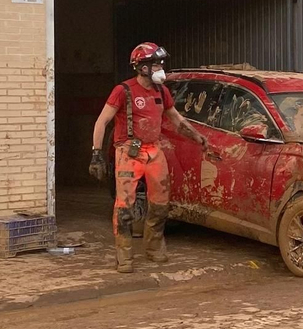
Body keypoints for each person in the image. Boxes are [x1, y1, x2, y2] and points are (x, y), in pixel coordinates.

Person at [89, 42, 213, 273]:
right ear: (142, 67)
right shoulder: (123, 91)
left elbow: (176, 119)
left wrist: (198, 137)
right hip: (128, 151)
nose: (160, 68)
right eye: (156, 64)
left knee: (160, 203)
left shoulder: (161, 91)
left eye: (160, 63)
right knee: (124, 206)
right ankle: (124, 255)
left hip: (154, 151)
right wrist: (96, 154)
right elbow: (102, 121)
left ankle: (154, 246)